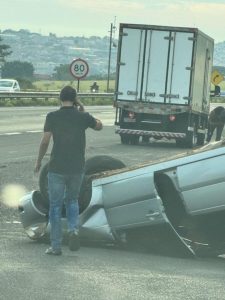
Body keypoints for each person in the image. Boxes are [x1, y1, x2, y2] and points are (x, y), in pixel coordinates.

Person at [34, 85, 103, 255]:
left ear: (60, 98)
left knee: (55, 206)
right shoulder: (83, 117)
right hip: (77, 167)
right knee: (72, 201)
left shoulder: (52, 116)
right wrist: (83, 110)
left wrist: (38, 161)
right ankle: (73, 230)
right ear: (75, 99)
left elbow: (45, 142)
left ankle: (56, 246)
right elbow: (99, 126)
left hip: (57, 167)